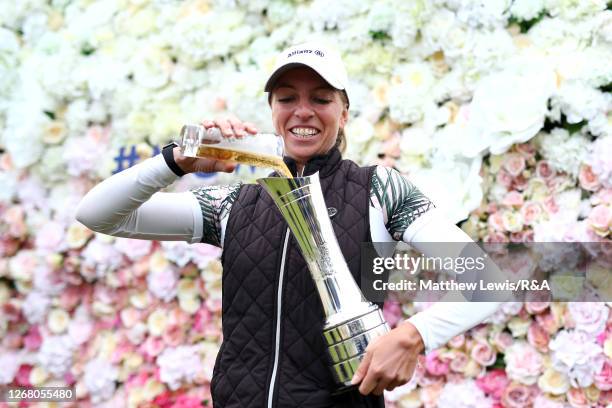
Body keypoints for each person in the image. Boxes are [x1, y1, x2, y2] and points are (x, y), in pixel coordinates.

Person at [76, 42, 502, 408]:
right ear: (271, 110)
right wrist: (175, 161)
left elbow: (489, 280)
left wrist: (414, 334)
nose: (303, 111)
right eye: (286, 98)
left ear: (344, 112)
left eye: (320, 98)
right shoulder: (235, 203)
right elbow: (97, 214)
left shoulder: (379, 190)